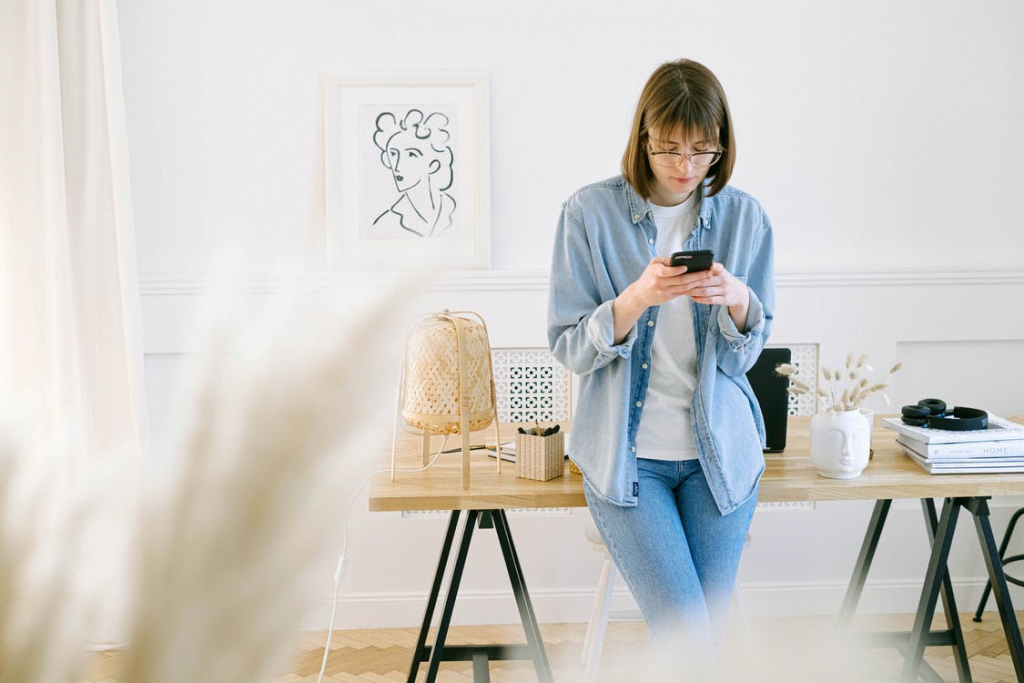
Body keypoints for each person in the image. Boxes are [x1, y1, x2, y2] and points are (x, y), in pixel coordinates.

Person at [547, 59, 775, 664]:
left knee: (702, 643)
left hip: (718, 457)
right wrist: (635, 299)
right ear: (642, 139)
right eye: (668, 149)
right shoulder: (587, 215)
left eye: (701, 152)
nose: (684, 168)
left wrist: (738, 303)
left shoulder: (745, 218)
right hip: (629, 464)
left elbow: (747, 355)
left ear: (720, 145)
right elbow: (569, 345)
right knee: (689, 640)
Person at [371, 109, 457, 238]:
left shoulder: (454, 210)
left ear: (433, 165)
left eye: (411, 154)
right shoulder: (386, 222)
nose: (398, 166)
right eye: (393, 154)